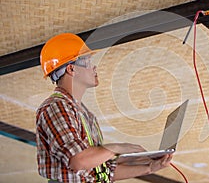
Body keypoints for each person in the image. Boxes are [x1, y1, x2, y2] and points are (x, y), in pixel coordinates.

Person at [36, 33, 173, 183]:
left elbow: (102, 172)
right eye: (87, 61)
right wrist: (118, 148)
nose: (93, 67)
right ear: (71, 69)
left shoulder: (85, 114)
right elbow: (78, 161)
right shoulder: (56, 107)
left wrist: (150, 167)